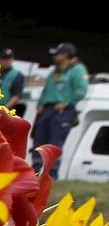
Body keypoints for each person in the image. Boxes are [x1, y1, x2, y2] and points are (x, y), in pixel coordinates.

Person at [32, 42, 90, 178]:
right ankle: (35, 173)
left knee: (54, 143)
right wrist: (40, 105)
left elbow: (82, 90)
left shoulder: (78, 70)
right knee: (39, 142)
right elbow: (46, 90)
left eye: (57, 54)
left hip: (63, 112)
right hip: (47, 110)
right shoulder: (55, 71)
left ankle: (50, 176)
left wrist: (67, 102)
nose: (55, 57)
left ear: (65, 55)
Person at [0, 48, 26, 117]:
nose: (5, 61)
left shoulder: (17, 76)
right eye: (3, 58)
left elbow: (16, 96)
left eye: (8, 59)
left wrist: (3, 110)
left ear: (12, 59)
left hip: (4, 112)